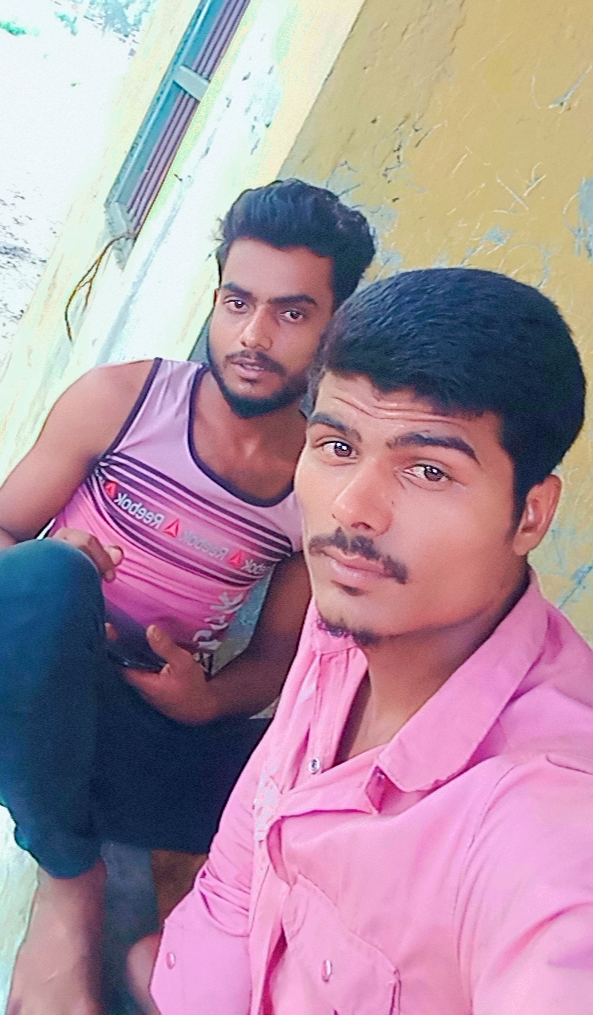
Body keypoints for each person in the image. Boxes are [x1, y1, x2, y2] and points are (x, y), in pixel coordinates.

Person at [0, 177, 375, 1015]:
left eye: (292, 313)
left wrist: (205, 699)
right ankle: (66, 884)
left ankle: (165, 960)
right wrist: (53, 559)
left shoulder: (316, 482)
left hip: (151, 739)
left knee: (332, 780)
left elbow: (275, 661)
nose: (253, 335)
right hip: (35, 708)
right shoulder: (125, 402)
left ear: (334, 329)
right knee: (37, 577)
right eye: (238, 301)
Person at [152, 266, 593, 1015]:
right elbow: (240, 871)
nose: (354, 508)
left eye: (428, 469)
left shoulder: (543, 822)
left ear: (531, 514)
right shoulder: (341, 623)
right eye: (336, 446)